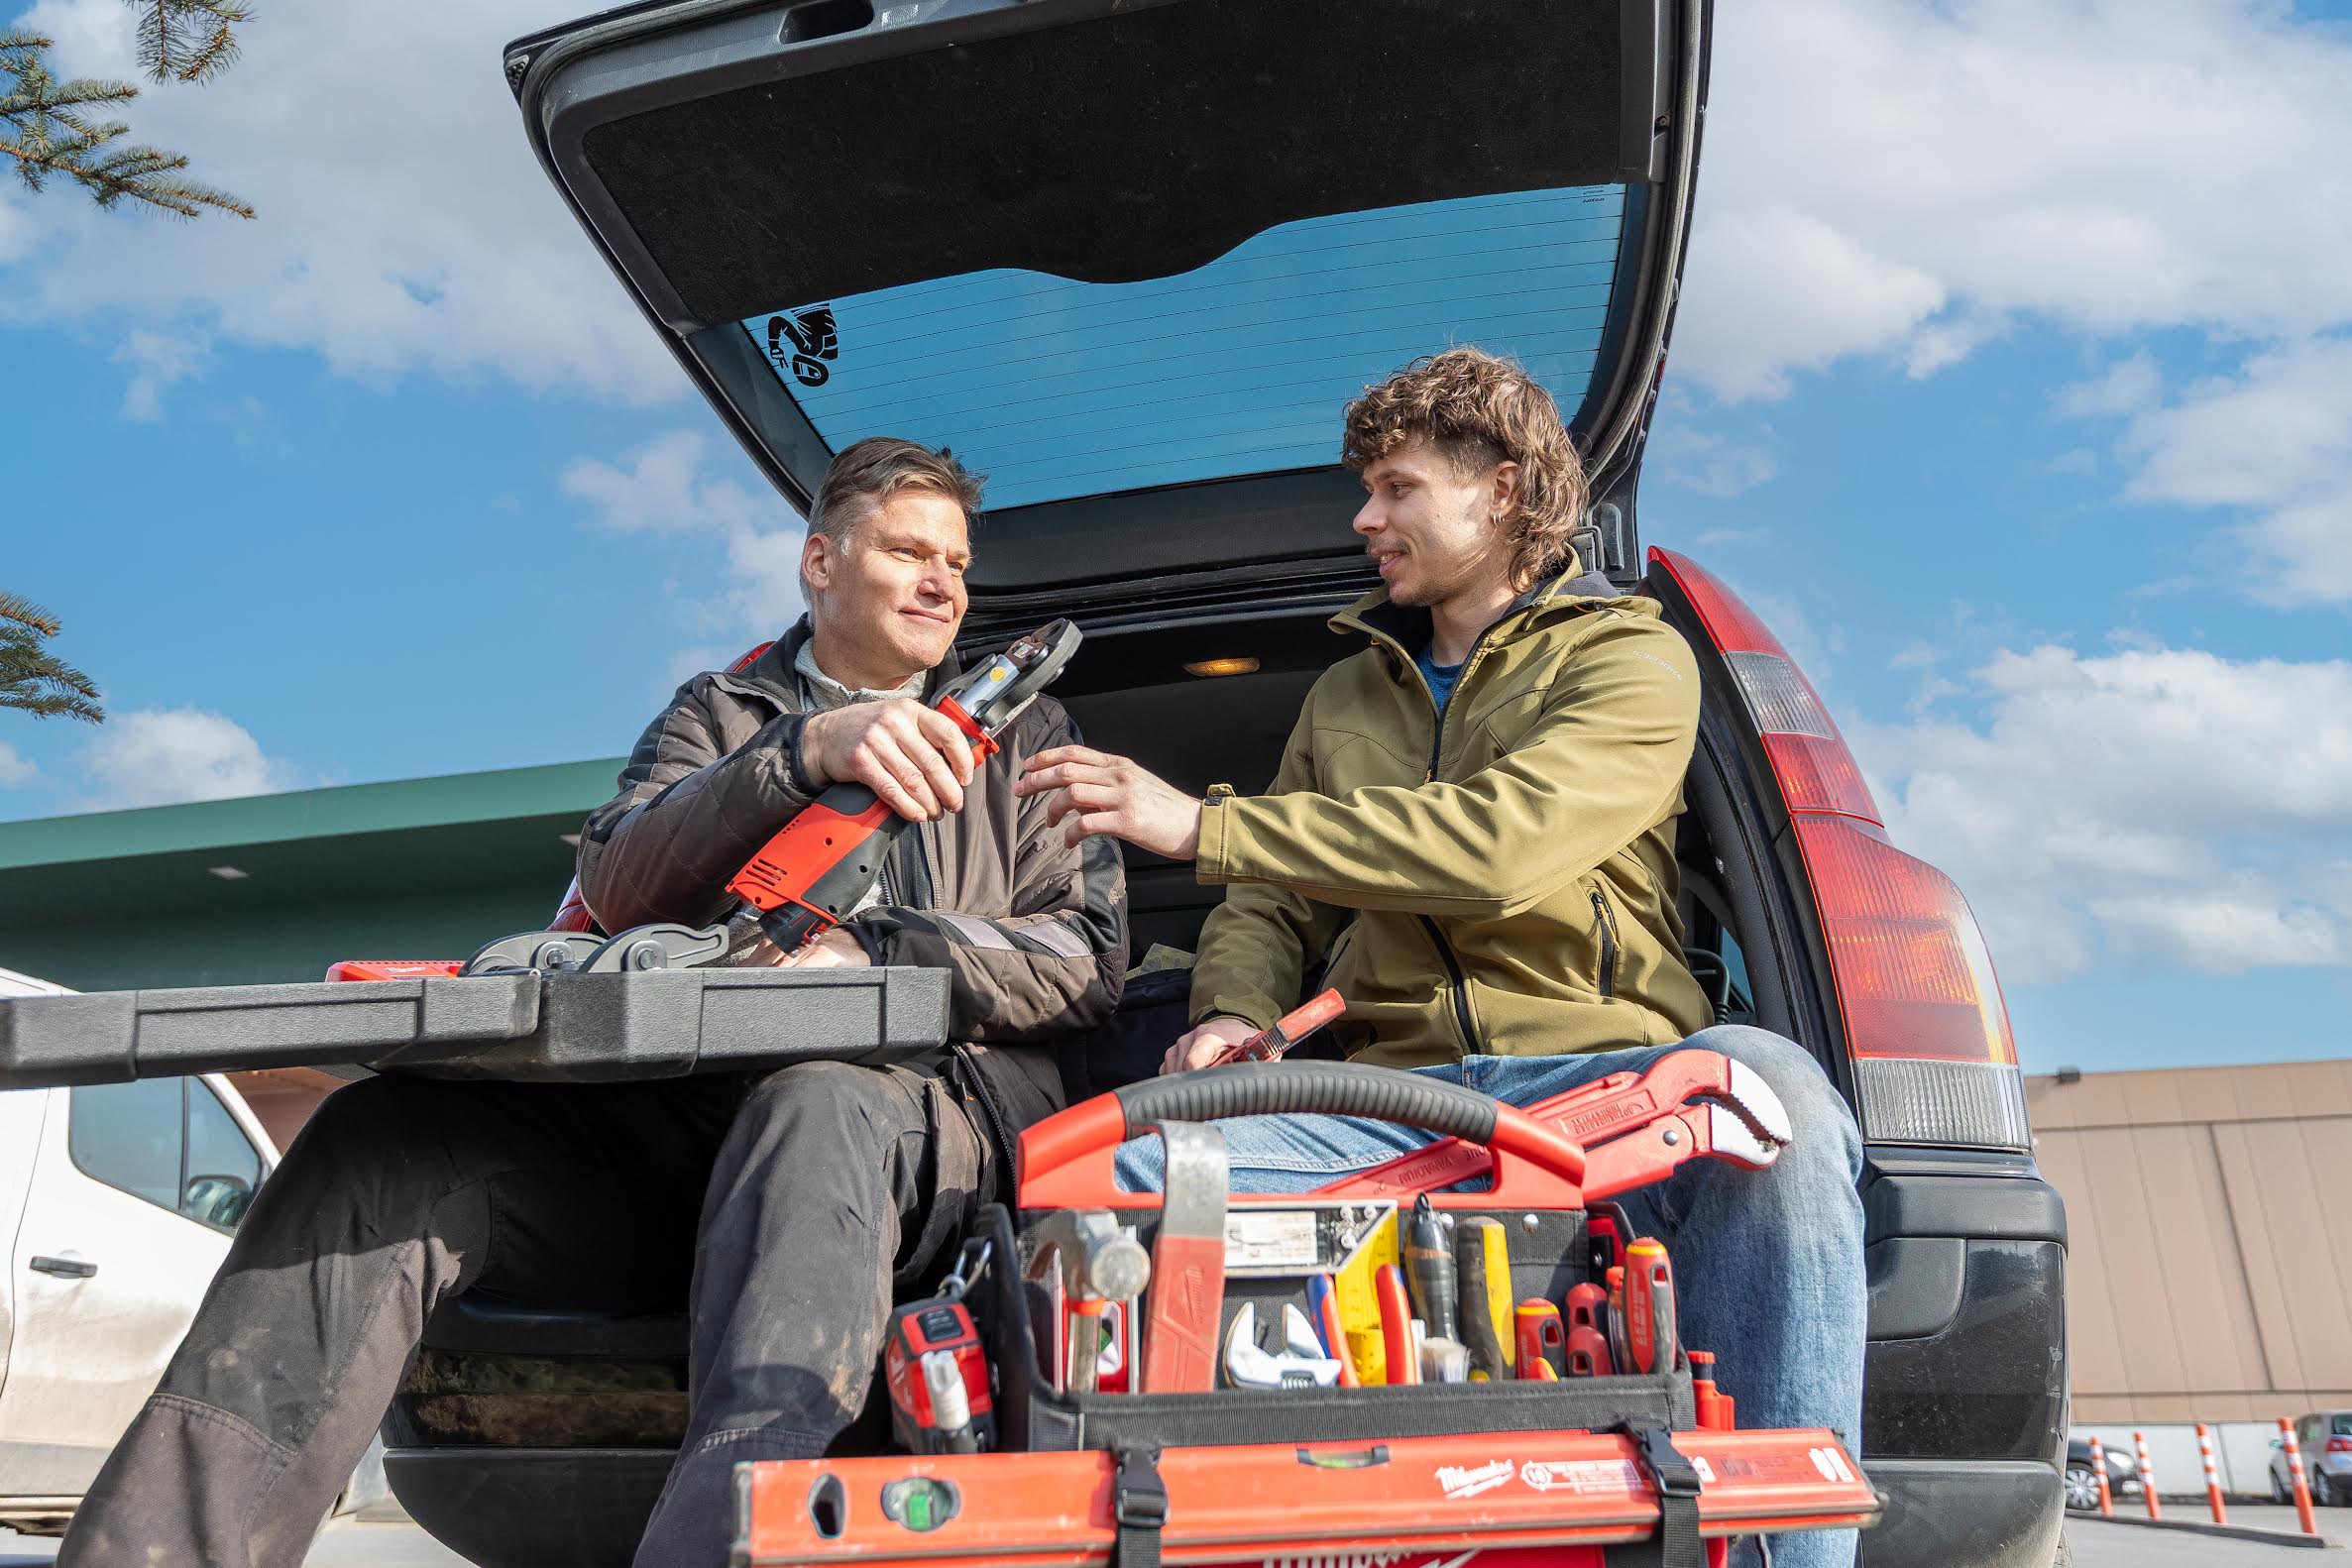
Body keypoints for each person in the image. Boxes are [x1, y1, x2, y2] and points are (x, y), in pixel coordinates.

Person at [62, 436, 1126, 1568]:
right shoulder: (718, 713)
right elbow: (618, 884)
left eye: (955, 563)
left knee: (813, 1101)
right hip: (676, 1139)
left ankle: (727, 1538)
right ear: (820, 562)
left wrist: (870, 953)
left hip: (913, 1143)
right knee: (380, 1139)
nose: (942, 584)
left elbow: (1084, 955)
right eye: (910, 552)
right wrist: (801, 752)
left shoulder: (1027, 737)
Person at [1016, 349, 1864, 1568]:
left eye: (1398, 488)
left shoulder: (1629, 657)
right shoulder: (1342, 697)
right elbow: (1269, 899)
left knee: (1772, 1097)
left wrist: (1201, 822)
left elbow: (1504, 846)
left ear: (1503, 490)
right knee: (1126, 1180)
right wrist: (1235, 1010)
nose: (1366, 519)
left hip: (1598, 1089)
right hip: (1387, 1100)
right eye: (1367, 492)